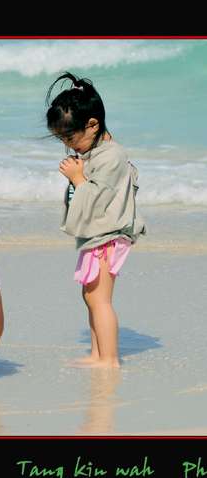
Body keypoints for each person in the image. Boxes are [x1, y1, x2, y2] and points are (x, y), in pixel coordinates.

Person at [45, 71, 146, 368]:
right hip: (98, 234)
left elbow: (99, 197)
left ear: (92, 124)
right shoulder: (95, 151)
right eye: (62, 139)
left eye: (70, 137)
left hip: (109, 235)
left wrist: (78, 178)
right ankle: (97, 353)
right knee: (90, 296)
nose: (69, 145)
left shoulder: (111, 156)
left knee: (100, 298)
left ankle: (109, 358)